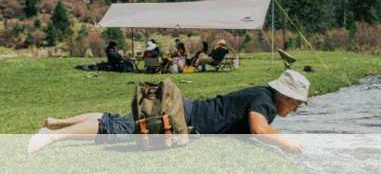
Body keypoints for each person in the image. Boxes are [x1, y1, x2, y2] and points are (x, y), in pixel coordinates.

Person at [27, 69, 310, 154]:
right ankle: (52, 137)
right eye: (296, 102)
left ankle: (56, 124)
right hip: (182, 119)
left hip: (186, 111)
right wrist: (288, 144)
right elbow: (260, 129)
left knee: (115, 120)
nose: (295, 108)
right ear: (285, 95)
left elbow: (251, 133)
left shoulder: (262, 94)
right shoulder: (265, 103)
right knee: (119, 130)